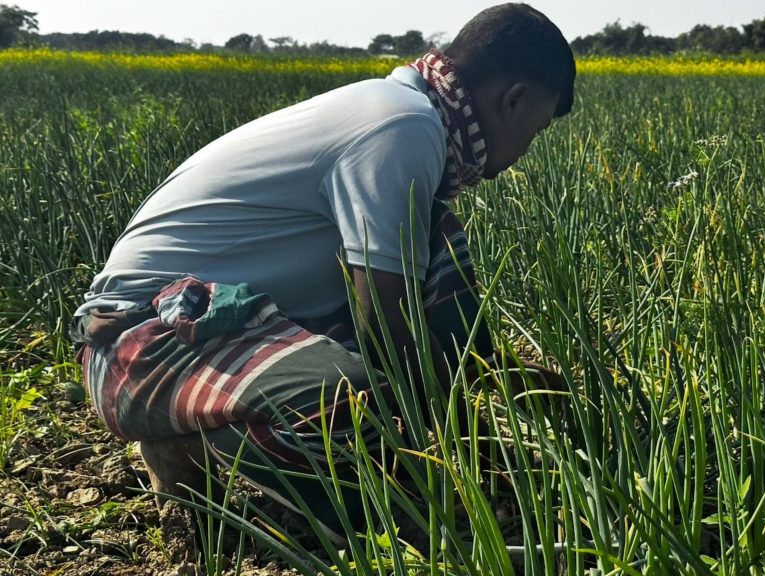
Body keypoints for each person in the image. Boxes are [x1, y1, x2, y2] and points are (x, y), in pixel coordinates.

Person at [71, 3, 575, 542]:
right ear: (514, 100)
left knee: (433, 238)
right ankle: (193, 445)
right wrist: (467, 459)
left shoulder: (401, 111)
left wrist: (498, 372)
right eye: (536, 131)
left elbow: (408, 308)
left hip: (217, 323)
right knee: (358, 407)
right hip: (140, 346)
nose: (525, 152)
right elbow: (386, 324)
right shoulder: (402, 127)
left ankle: (268, 437)